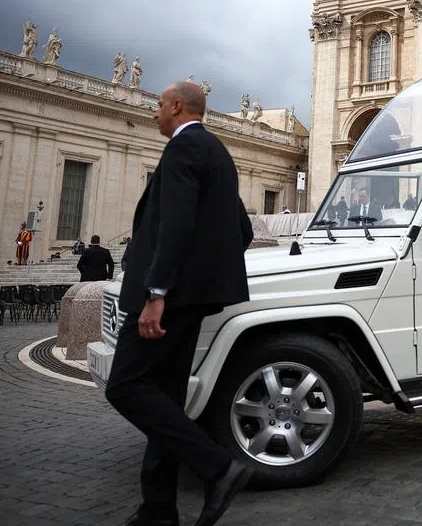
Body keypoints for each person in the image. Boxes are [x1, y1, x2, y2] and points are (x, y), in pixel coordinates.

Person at [104, 81, 254, 526]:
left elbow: (174, 225)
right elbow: (240, 230)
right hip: (193, 299)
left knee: (126, 387)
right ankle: (158, 509)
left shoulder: (183, 149)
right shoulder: (219, 154)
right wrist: (205, 276)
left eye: (156, 105)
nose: (153, 112)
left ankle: (218, 466)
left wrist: (158, 294)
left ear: (175, 106)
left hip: (168, 301)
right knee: (165, 396)